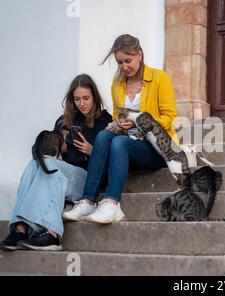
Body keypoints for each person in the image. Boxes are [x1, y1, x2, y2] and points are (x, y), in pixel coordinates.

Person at [62, 34, 178, 224]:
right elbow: (119, 116)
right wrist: (117, 125)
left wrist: (138, 122)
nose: (124, 66)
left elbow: (169, 118)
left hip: (158, 147)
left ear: (139, 54)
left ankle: (112, 203)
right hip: (130, 145)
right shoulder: (117, 85)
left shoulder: (160, 78)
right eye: (119, 62)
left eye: (128, 60)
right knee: (104, 135)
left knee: (119, 143)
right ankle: (88, 201)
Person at [0, 74, 112, 251]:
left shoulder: (105, 121)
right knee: (35, 164)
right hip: (62, 177)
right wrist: (61, 149)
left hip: (87, 178)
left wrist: (93, 151)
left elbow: (110, 161)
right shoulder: (64, 121)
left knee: (50, 166)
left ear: (95, 97)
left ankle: (52, 235)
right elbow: (53, 150)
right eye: (77, 99)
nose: (82, 103)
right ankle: (20, 229)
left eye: (86, 98)